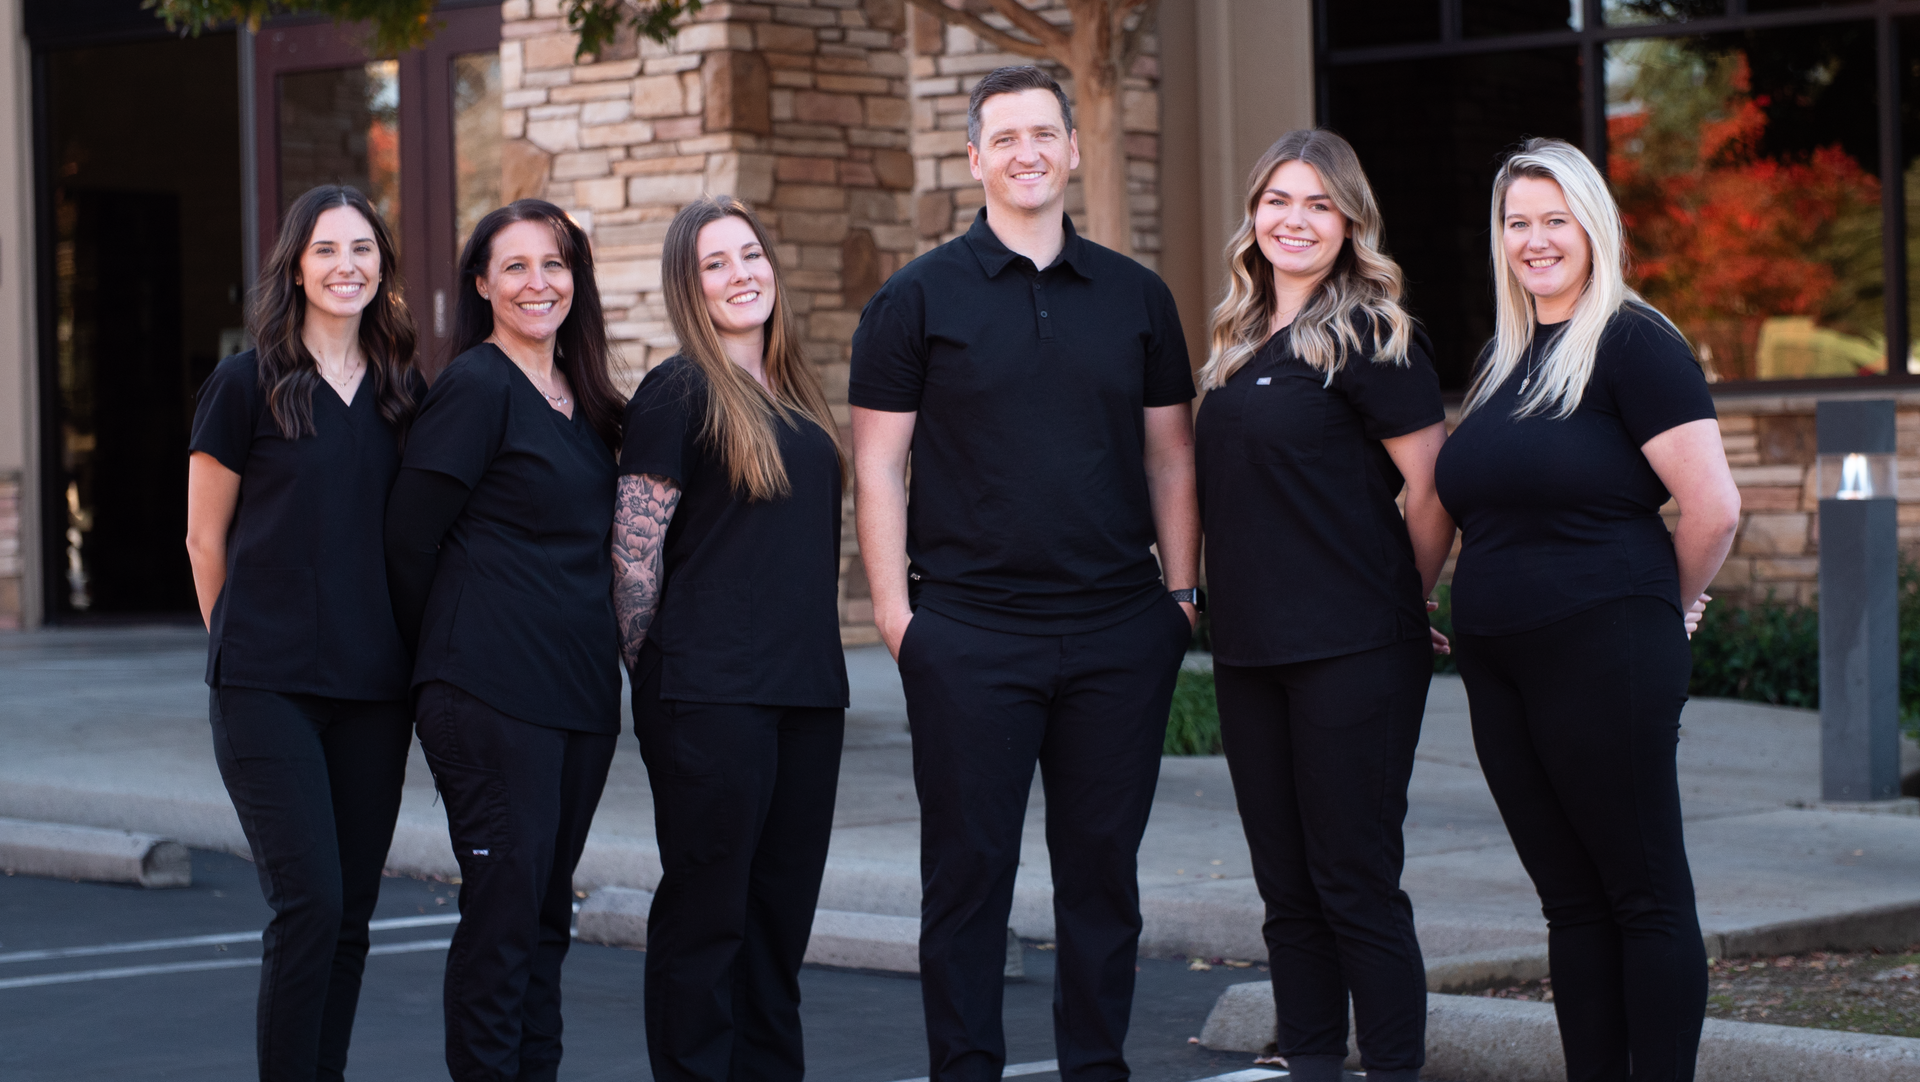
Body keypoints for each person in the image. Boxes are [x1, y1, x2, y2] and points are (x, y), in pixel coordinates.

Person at [850, 65, 1200, 1082]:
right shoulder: (915, 298)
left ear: (1074, 149)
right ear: (975, 158)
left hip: (1117, 631)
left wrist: (1180, 596)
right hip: (969, 634)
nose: (1028, 152)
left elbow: (1172, 453)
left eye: (1044, 133)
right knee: (967, 878)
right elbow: (877, 462)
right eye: (1004, 138)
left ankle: (1097, 1067)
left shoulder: (1136, 297)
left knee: (1103, 878)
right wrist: (896, 615)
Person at [1435, 137, 1741, 1081]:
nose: (1535, 240)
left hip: (1605, 647)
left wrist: (1668, 605)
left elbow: (1715, 506)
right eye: (1518, 223)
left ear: (1593, 227)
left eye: (1553, 220)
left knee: (1642, 894)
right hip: (1500, 662)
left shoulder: (1633, 341)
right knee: (1570, 901)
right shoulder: (1503, 359)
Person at [1194, 130, 1452, 1082]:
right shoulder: (1238, 339)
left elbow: (1431, 492)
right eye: (1277, 201)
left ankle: (1389, 1069)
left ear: (1350, 224)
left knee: (1354, 882)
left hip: (1355, 647)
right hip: (1252, 650)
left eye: (1317, 205)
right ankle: (1308, 1065)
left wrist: (1405, 600)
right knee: (1287, 890)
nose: (1293, 221)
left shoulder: (1374, 335)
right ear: (1254, 215)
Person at [382, 199, 626, 1082]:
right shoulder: (477, 389)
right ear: (481, 284)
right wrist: (449, 655)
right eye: (514, 266)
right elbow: (409, 542)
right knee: (503, 917)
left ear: (577, 280)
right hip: (486, 695)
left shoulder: (589, 401)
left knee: (545, 922)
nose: (537, 283)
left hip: (579, 699)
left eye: (554, 264)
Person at [184, 184, 420, 1082]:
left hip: (374, 691)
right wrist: (239, 644)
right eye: (327, 250)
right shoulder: (244, 384)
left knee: (352, 912)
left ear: (382, 269)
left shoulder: (405, 391)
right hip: (267, 686)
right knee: (310, 903)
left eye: (363, 250)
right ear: (295, 266)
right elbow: (205, 537)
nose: (346, 266)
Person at [612, 195, 850, 1082]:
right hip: (711, 698)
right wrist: (661, 680)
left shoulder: (793, 395)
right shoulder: (677, 391)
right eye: (716, 263)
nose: (742, 274)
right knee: (708, 920)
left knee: (777, 927)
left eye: (750, 255)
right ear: (690, 286)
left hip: (806, 695)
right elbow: (633, 560)